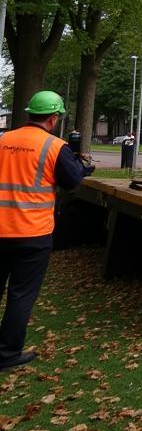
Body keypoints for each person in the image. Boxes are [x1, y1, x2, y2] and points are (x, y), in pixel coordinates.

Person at [0, 90, 91, 371]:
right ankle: (6, 354)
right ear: (53, 118)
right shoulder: (54, 146)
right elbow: (72, 181)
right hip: (31, 233)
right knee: (20, 294)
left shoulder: (3, 140)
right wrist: (83, 167)